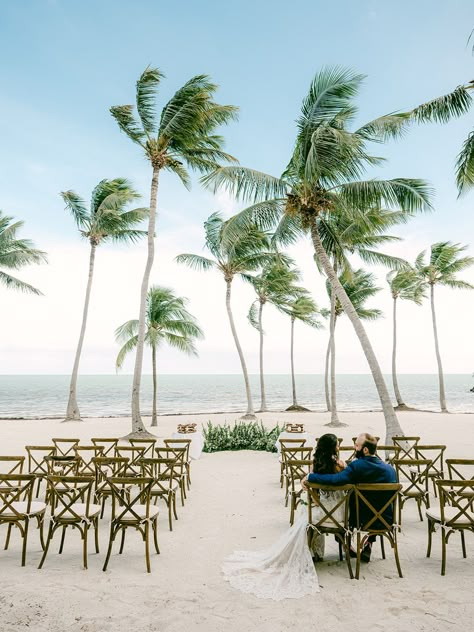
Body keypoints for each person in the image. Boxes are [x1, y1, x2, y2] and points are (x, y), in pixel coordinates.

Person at [222, 434, 346, 601]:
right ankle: (319, 551)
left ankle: (313, 550)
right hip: (339, 513)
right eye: (337, 445)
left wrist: (313, 494)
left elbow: (313, 494)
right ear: (332, 448)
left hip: (322, 510)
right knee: (307, 515)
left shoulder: (314, 465)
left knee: (306, 514)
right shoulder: (340, 467)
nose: (339, 447)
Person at [302, 432, 397, 562]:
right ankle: (368, 543)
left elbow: (337, 479)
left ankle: (346, 545)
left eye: (356, 446)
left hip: (359, 519)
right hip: (386, 519)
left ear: (365, 449)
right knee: (375, 502)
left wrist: (310, 477)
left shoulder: (357, 466)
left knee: (347, 505)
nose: (354, 448)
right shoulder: (391, 470)